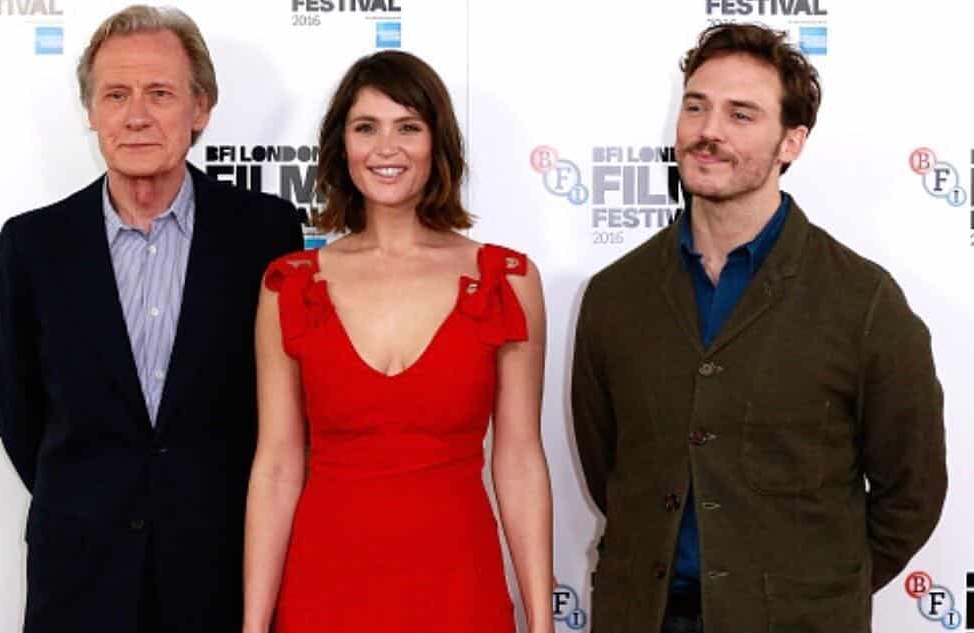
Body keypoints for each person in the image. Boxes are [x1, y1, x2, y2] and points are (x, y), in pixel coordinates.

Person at [572, 23, 946, 633]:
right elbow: (607, 465)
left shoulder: (864, 301)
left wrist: (816, 586)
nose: (708, 131)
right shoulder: (616, 295)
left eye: (741, 114)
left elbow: (914, 492)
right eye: (697, 106)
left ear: (791, 141)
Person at [0, 6, 303, 632]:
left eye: (160, 93)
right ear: (92, 112)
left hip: (222, 573)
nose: (136, 116)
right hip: (78, 578)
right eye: (116, 95)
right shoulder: (33, 245)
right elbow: (20, 414)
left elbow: (283, 411)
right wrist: (91, 499)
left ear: (201, 109)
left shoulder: (265, 231)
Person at [242, 50, 553, 633]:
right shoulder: (288, 284)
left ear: (437, 146)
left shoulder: (507, 280)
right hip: (322, 593)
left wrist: (542, 622)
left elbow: (520, 461)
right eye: (367, 127)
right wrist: (254, 625)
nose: (386, 148)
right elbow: (278, 464)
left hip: (462, 592)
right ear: (343, 147)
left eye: (408, 127)